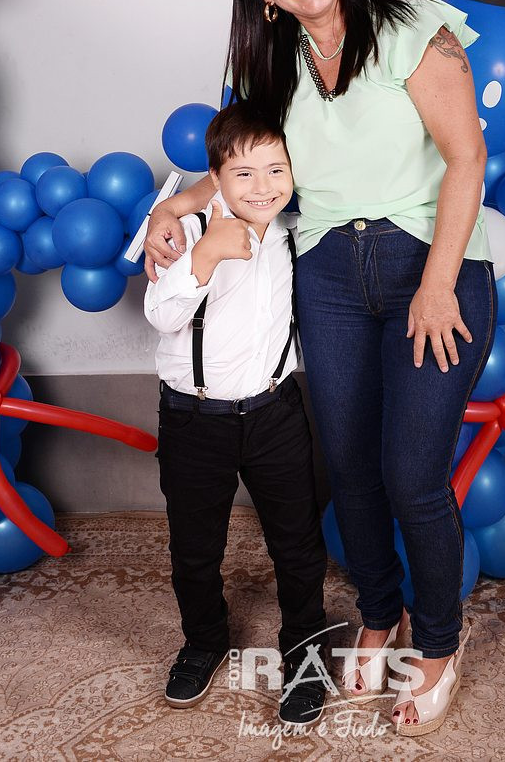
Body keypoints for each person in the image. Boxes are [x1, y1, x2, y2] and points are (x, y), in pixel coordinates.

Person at [145, 0, 497, 736]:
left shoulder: (415, 28)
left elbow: (466, 157)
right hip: (330, 274)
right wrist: (174, 206)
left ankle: (437, 642)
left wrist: (437, 283)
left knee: (411, 474)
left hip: (430, 263)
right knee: (348, 464)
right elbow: (242, 168)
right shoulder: (270, 66)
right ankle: (379, 611)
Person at [144, 102, 328, 725]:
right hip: (194, 420)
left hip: (276, 414)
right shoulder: (185, 232)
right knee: (195, 547)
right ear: (215, 180)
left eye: (276, 170)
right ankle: (203, 640)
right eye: (243, 174)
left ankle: (305, 650)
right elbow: (161, 315)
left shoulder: (297, 231)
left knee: (297, 544)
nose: (262, 186)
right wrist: (205, 255)